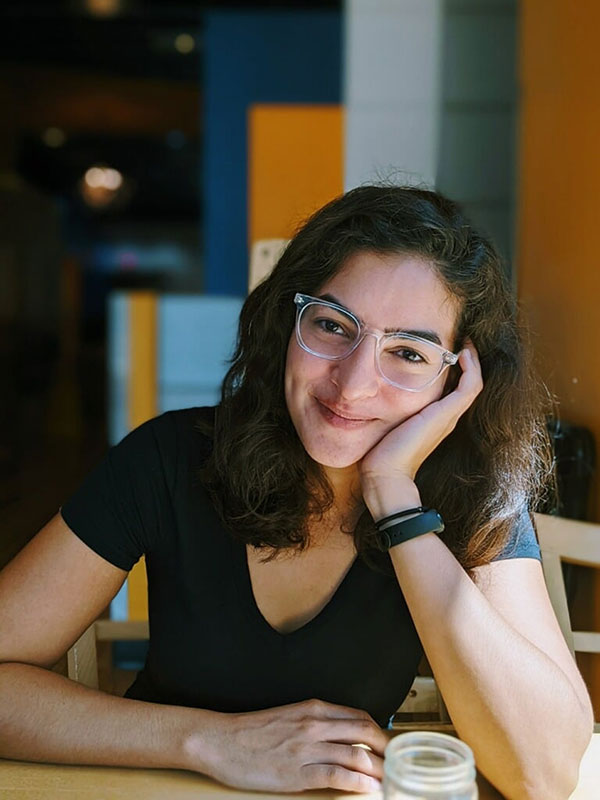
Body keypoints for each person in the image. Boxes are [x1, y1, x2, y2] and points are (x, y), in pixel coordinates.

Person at [0, 185, 593, 798]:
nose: (354, 384)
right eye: (335, 325)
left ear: (457, 384)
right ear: (289, 320)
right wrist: (206, 741)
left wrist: (394, 497)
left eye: (409, 353)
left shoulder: (473, 492)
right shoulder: (169, 458)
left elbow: (541, 773)